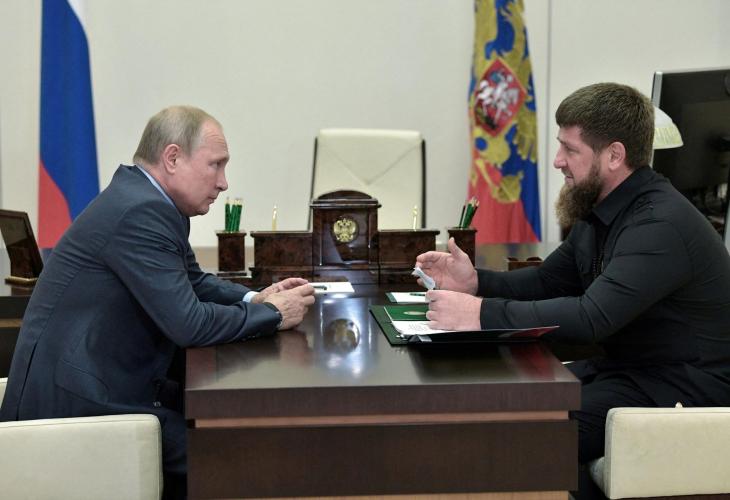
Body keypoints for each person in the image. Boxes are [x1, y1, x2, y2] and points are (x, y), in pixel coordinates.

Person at [416, 83, 730, 499]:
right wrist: (475, 282)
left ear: (614, 155)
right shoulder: (603, 207)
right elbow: (548, 281)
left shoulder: (660, 224)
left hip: (683, 389)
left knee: (527, 433)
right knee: (501, 402)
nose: (557, 160)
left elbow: (590, 317)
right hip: (632, 371)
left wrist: (478, 313)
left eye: (570, 149)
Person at [0, 105, 315, 499]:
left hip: (102, 387)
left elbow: (193, 279)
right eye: (215, 165)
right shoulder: (141, 211)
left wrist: (255, 296)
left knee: (224, 438)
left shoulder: (148, 201)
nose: (223, 182)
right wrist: (272, 314)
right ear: (172, 158)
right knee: (230, 461)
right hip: (78, 410)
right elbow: (189, 324)